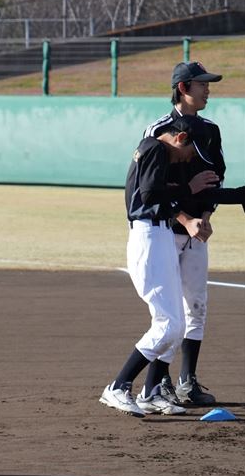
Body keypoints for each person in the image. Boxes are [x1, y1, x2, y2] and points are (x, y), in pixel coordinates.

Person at [99, 113, 219, 417]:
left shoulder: (157, 151)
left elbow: (158, 193)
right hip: (148, 236)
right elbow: (150, 193)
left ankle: (151, 391)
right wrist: (188, 188)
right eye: (191, 150)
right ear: (180, 137)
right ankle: (118, 386)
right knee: (169, 324)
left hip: (160, 233)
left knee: (176, 323)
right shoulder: (154, 148)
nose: (190, 158)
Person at [140, 62, 231, 406]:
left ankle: (187, 381)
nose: (208, 89)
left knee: (196, 306)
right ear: (183, 88)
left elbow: (216, 179)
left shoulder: (211, 130)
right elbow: (153, 189)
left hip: (197, 231)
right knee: (167, 313)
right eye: (202, 84)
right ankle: (158, 382)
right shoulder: (157, 130)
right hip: (166, 230)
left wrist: (204, 218)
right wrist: (185, 218)